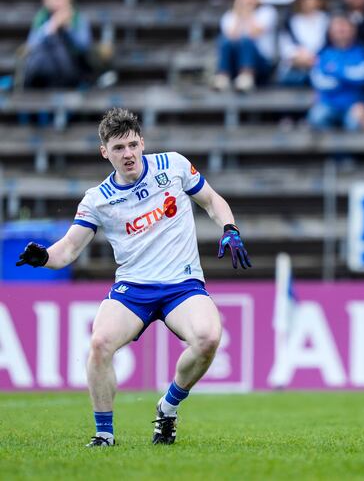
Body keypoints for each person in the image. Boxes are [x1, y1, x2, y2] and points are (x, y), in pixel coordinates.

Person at [15, 108, 252, 447]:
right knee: (99, 344)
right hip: (132, 289)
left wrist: (229, 228)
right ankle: (104, 434)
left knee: (208, 338)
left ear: (142, 142)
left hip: (181, 285)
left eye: (131, 145)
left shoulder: (173, 166)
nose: (127, 154)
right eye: (118, 148)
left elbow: (212, 201)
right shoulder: (97, 200)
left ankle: (168, 406)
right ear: (104, 152)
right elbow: (68, 250)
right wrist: (44, 258)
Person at [307, 13, 364, 131]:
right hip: (329, 103)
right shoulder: (323, 54)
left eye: (344, 26)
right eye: (337, 27)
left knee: (354, 121)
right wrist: (348, 75)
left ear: (353, 30)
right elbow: (320, 82)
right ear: (330, 31)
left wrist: (336, 71)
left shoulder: (363, 52)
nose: (341, 30)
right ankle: (331, 150)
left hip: (355, 103)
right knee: (316, 117)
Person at [24, 0, 92, 89]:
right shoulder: (41, 18)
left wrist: (68, 28)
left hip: (71, 72)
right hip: (42, 72)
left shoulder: (78, 18)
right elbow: (31, 45)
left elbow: (84, 47)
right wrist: (52, 26)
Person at [213, 0, 278, 92]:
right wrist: (239, 14)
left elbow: (254, 33)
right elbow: (230, 39)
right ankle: (223, 76)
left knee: (246, 40)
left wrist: (248, 13)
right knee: (224, 41)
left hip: (261, 64)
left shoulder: (267, 12)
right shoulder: (229, 16)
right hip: (235, 64)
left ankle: (246, 75)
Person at [277, 0, 329, 86]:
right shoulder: (290, 21)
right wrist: (299, 57)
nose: (311, 0)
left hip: (321, 66)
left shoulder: (326, 20)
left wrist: (314, 59)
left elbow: (329, 44)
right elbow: (286, 49)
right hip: (295, 68)